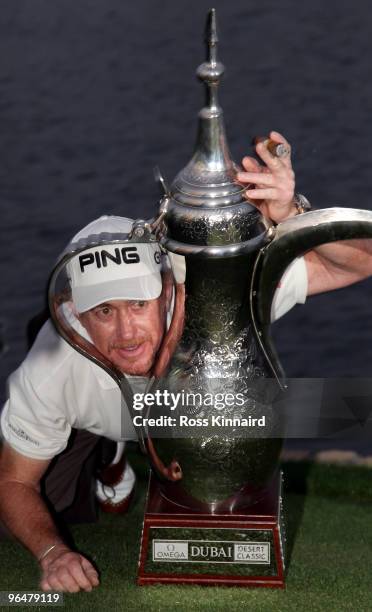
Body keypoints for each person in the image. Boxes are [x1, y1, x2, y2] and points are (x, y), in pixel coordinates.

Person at [1, 132, 372, 594]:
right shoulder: (51, 369)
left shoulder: (216, 296)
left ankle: (122, 450)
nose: (126, 333)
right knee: (56, 509)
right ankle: (110, 451)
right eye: (104, 312)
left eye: (138, 304)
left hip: (181, 404)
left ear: (169, 290)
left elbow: (356, 264)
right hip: (90, 405)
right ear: (76, 314)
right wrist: (53, 554)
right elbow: (15, 481)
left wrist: (292, 217)